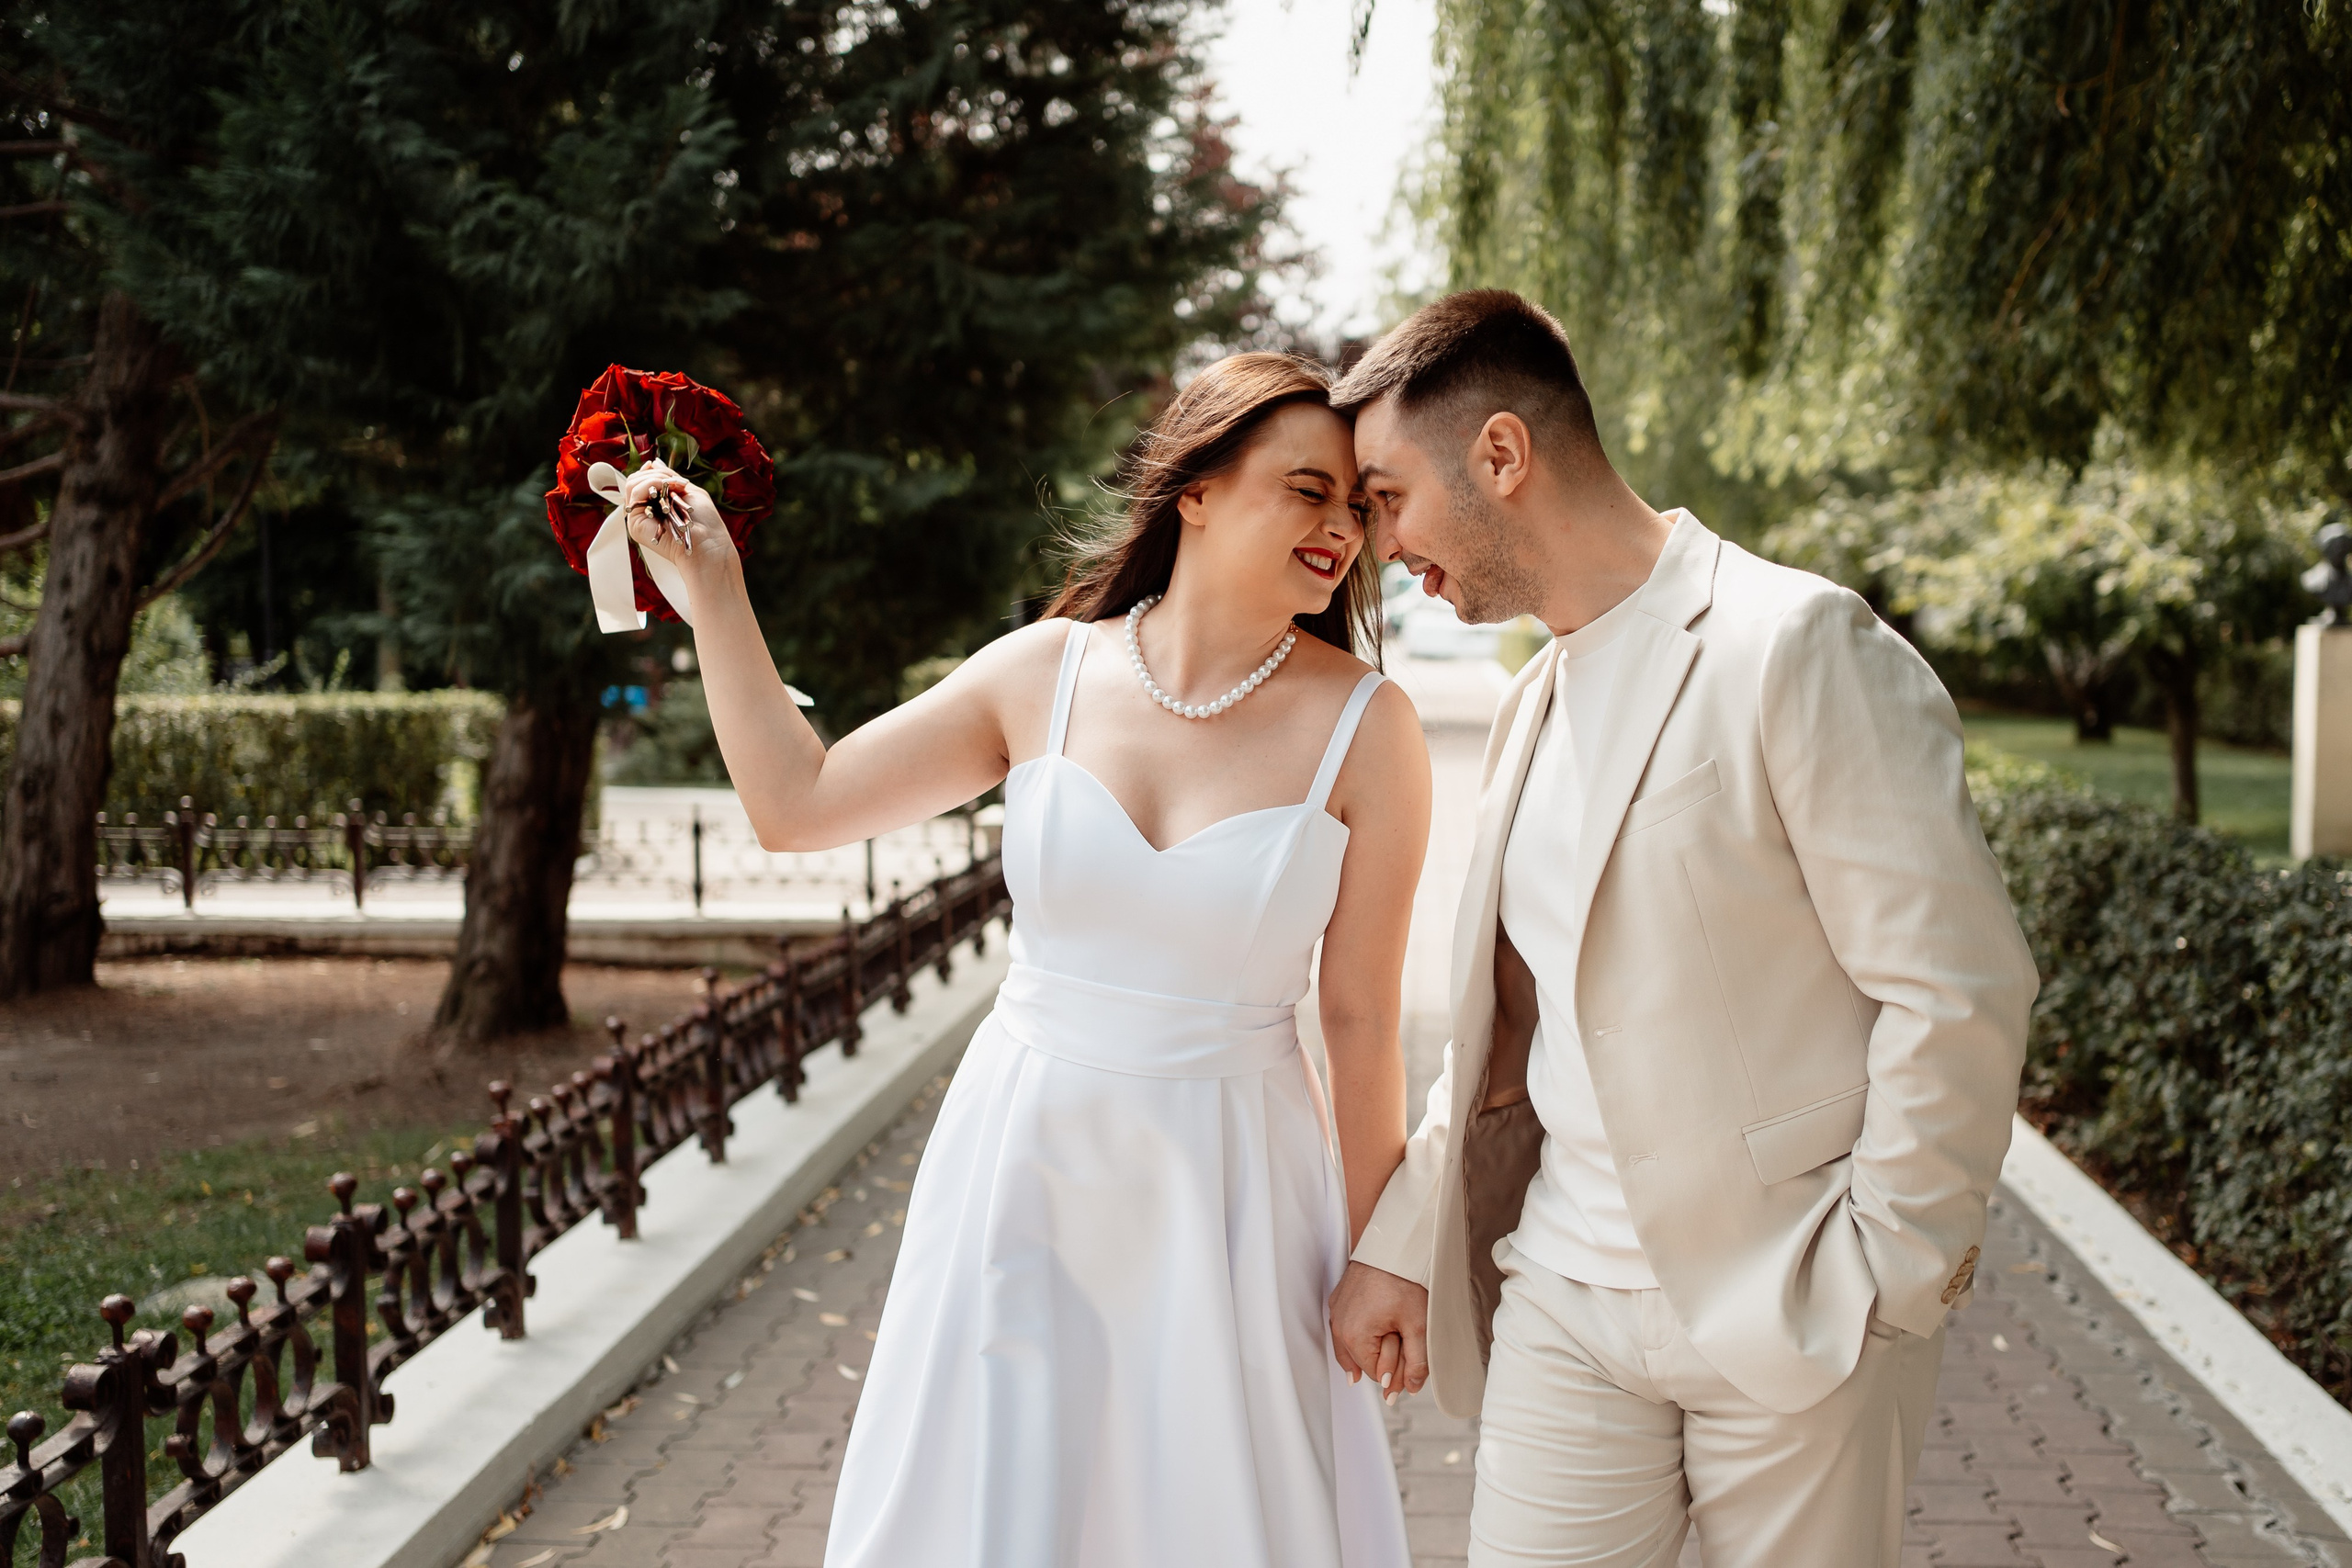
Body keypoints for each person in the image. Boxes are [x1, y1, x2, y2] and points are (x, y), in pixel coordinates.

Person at [619, 352, 1428, 1568]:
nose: (1340, 529)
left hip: (1234, 1189)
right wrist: (718, 596)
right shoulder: (1043, 674)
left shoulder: (1370, 729)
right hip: (1024, 1161)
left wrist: (1384, 1251)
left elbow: (1360, 1018)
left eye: (1358, 507)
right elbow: (799, 800)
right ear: (1195, 489)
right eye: (1307, 490)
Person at [1323, 290, 2040, 1566]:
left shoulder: (1794, 644)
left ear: (1501, 455)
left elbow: (1957, 986)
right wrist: (1398, 1246)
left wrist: (1889, 1278)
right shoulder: (1530, 701)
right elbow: (1509, 1032)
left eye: (1386, 498)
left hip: (1799, 1305)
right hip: (1562, 1302)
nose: (1382, 544)